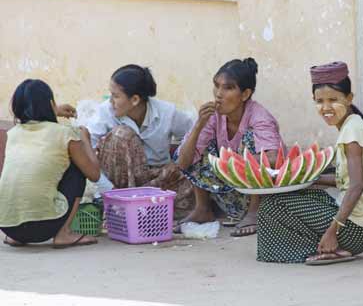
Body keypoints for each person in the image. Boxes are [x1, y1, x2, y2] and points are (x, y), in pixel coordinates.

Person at [257, 61, 363, 264]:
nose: (326, 107)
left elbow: (356, 186)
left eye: (333, 100)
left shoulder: (352, 132)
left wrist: (332, 231)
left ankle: (326, 246)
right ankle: (329, 247)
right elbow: (346, 181)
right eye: (320, 101)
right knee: (301, 192)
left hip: (354, 232)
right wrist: (308, 179)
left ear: (348, 98)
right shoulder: (353, 124)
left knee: (272, 204)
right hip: (360, 231)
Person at [176, 58, 284, 237]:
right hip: (229, 192)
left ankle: (254, 212)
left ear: (245, 94)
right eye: (216, 86)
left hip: (263, 195)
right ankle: (202, 209)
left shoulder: (260, 117)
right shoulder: (212, 116)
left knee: (250, 140)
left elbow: (273, 159)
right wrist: (198, 126)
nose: (219, 94)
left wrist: (234, 162)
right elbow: (183, 163)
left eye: (228, 88)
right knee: (199, 144)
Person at [0, 79, 100, 248]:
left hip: (7, 226)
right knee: (77, 167)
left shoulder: (13, 134)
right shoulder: (66, 134)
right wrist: (85, 139)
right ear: (51, 104)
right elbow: (94, 174)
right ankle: (64, 234)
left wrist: (52, 110)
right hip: (44, 226)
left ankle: (17, 237)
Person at [87, 64, 195, 219]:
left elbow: (194, 134)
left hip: (156, 179)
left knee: (193, 190)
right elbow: (86, 146)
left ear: (135, 99)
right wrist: (109, 190)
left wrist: (176, 163)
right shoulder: (106, 112)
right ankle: (127, 208)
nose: (111, 101)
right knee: (121, 134)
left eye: (115, 96)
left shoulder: (167, 113)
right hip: (120, 183)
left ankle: (144, 209)